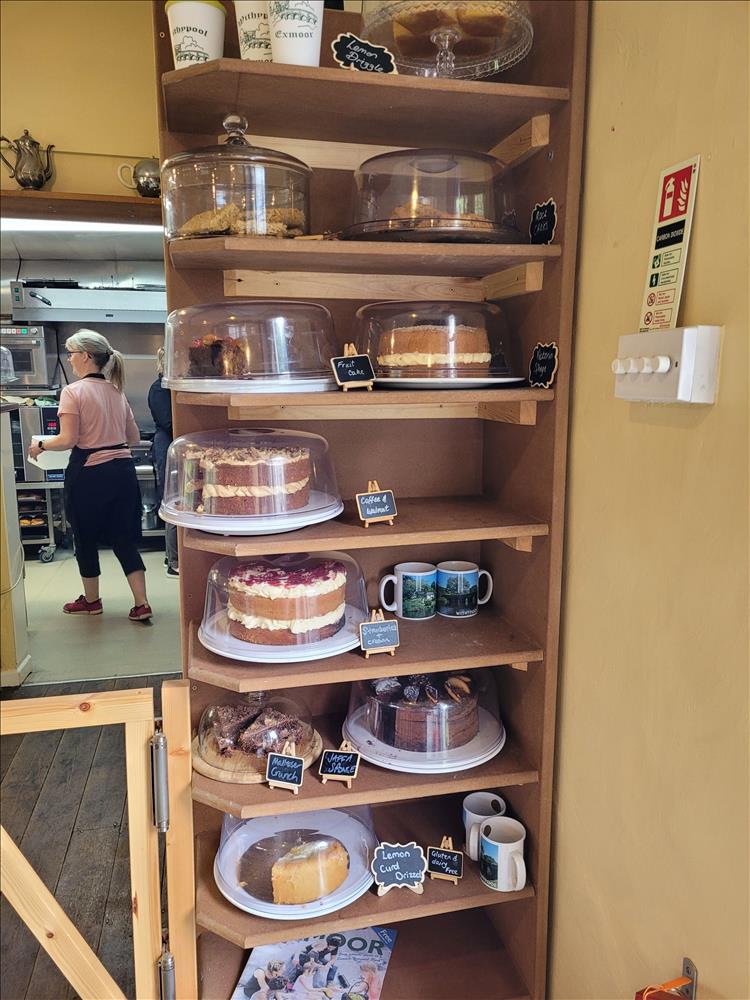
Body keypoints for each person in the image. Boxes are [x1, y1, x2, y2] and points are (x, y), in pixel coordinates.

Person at [28, 329, 152, 621]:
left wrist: (41, 444)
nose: (69, 359)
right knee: (124, 539)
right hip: (122, 472)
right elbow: (132, 438)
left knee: (84, 537)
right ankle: (142, 603)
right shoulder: (116, 391)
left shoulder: (73, 392)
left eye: (71, 353)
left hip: (90, 474)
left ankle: (92, 601)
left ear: (85, 356)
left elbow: (68, 439)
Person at [148, 348, 178, 577]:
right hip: (168, 448)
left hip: (174, 447)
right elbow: (170, 424)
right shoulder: (159, 389)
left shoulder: (174, 388)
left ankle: (175, 555)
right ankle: (174, 561)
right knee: (174, 501)